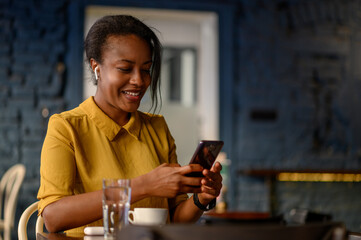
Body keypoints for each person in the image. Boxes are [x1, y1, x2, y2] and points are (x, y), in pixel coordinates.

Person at [37, 15, 223, 235]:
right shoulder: (66, 128)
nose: (139, 80)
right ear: (96, 67)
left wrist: (201, 199)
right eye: (125, 69)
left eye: (146, 70)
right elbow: (53, 218)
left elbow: (174, 219)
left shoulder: (158, 128)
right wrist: (144, 186)